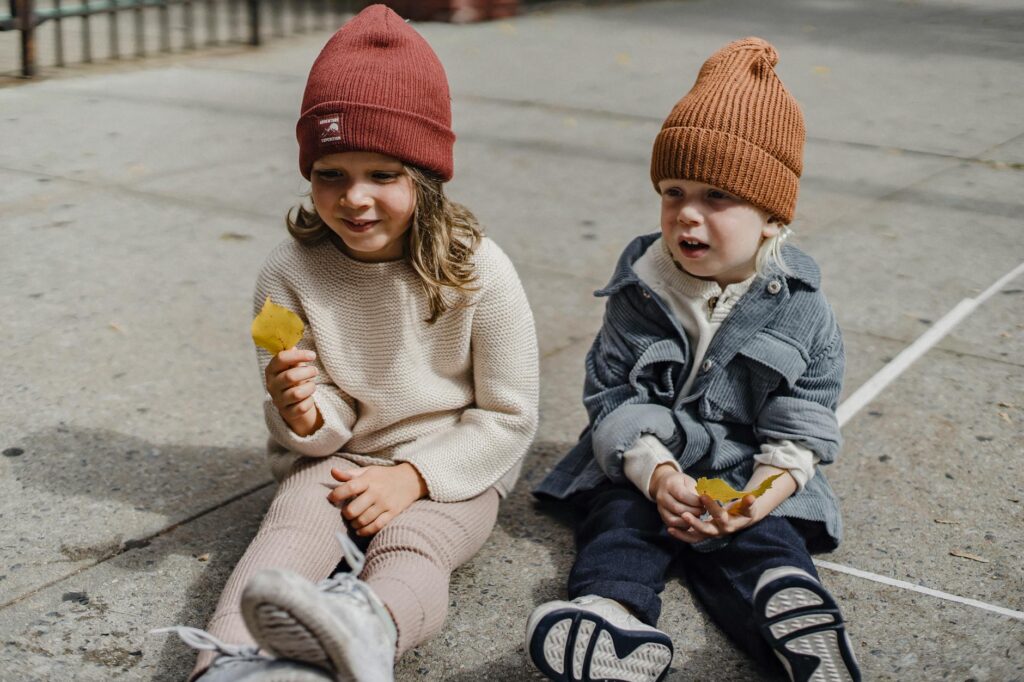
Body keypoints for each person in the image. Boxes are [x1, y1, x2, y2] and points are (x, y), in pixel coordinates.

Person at [156, 5, 539, 681]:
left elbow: (509, 415)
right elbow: (317, 420)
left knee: (415, 547)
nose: (354, 198)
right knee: (286, 535)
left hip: (453, 463)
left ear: (424, 177)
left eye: (383, 175)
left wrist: (415, 477)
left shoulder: (480, 269)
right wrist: (302, 413)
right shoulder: (289, 271)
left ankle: (368, 629)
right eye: (330, 172)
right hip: (342, 457)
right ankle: (227, 664)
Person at [526, 38, 861, 682]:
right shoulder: (641, 286)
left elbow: (802, 424)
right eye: (673, 190)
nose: (687, 214)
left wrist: (760, 496)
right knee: (619, 518)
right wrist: (656, 475)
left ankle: (795, 623)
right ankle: (611, 618)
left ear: (771, 217)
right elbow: (613, 398)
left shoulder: (802, 309)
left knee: (764, 539)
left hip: (745, 468)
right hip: (647, 456)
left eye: (717, 196)